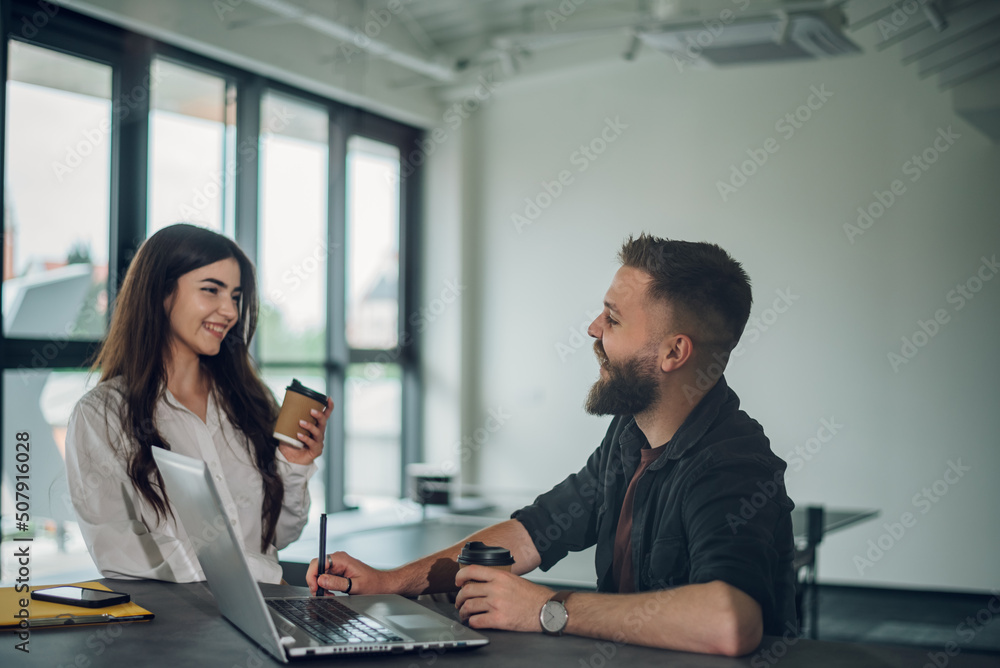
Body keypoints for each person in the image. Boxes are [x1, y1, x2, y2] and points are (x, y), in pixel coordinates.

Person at [306, 234, 795, 656]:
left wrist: (545, 608)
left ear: (674, 352)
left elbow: (731, 623)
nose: (593, 330)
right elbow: (530, 534)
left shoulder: (733, 462)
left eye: (613, 319)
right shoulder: (629, 437)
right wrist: (390, 582)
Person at [66, 224, 332, 583]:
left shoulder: (250, 403)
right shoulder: (101, 415)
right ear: (160, 292)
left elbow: (279, 537)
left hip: (267, 619)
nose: (230, 311)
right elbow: (122, 553)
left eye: (235, 296)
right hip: (174, 630)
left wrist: (295, 467)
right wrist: (262, 574)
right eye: (211, 290)